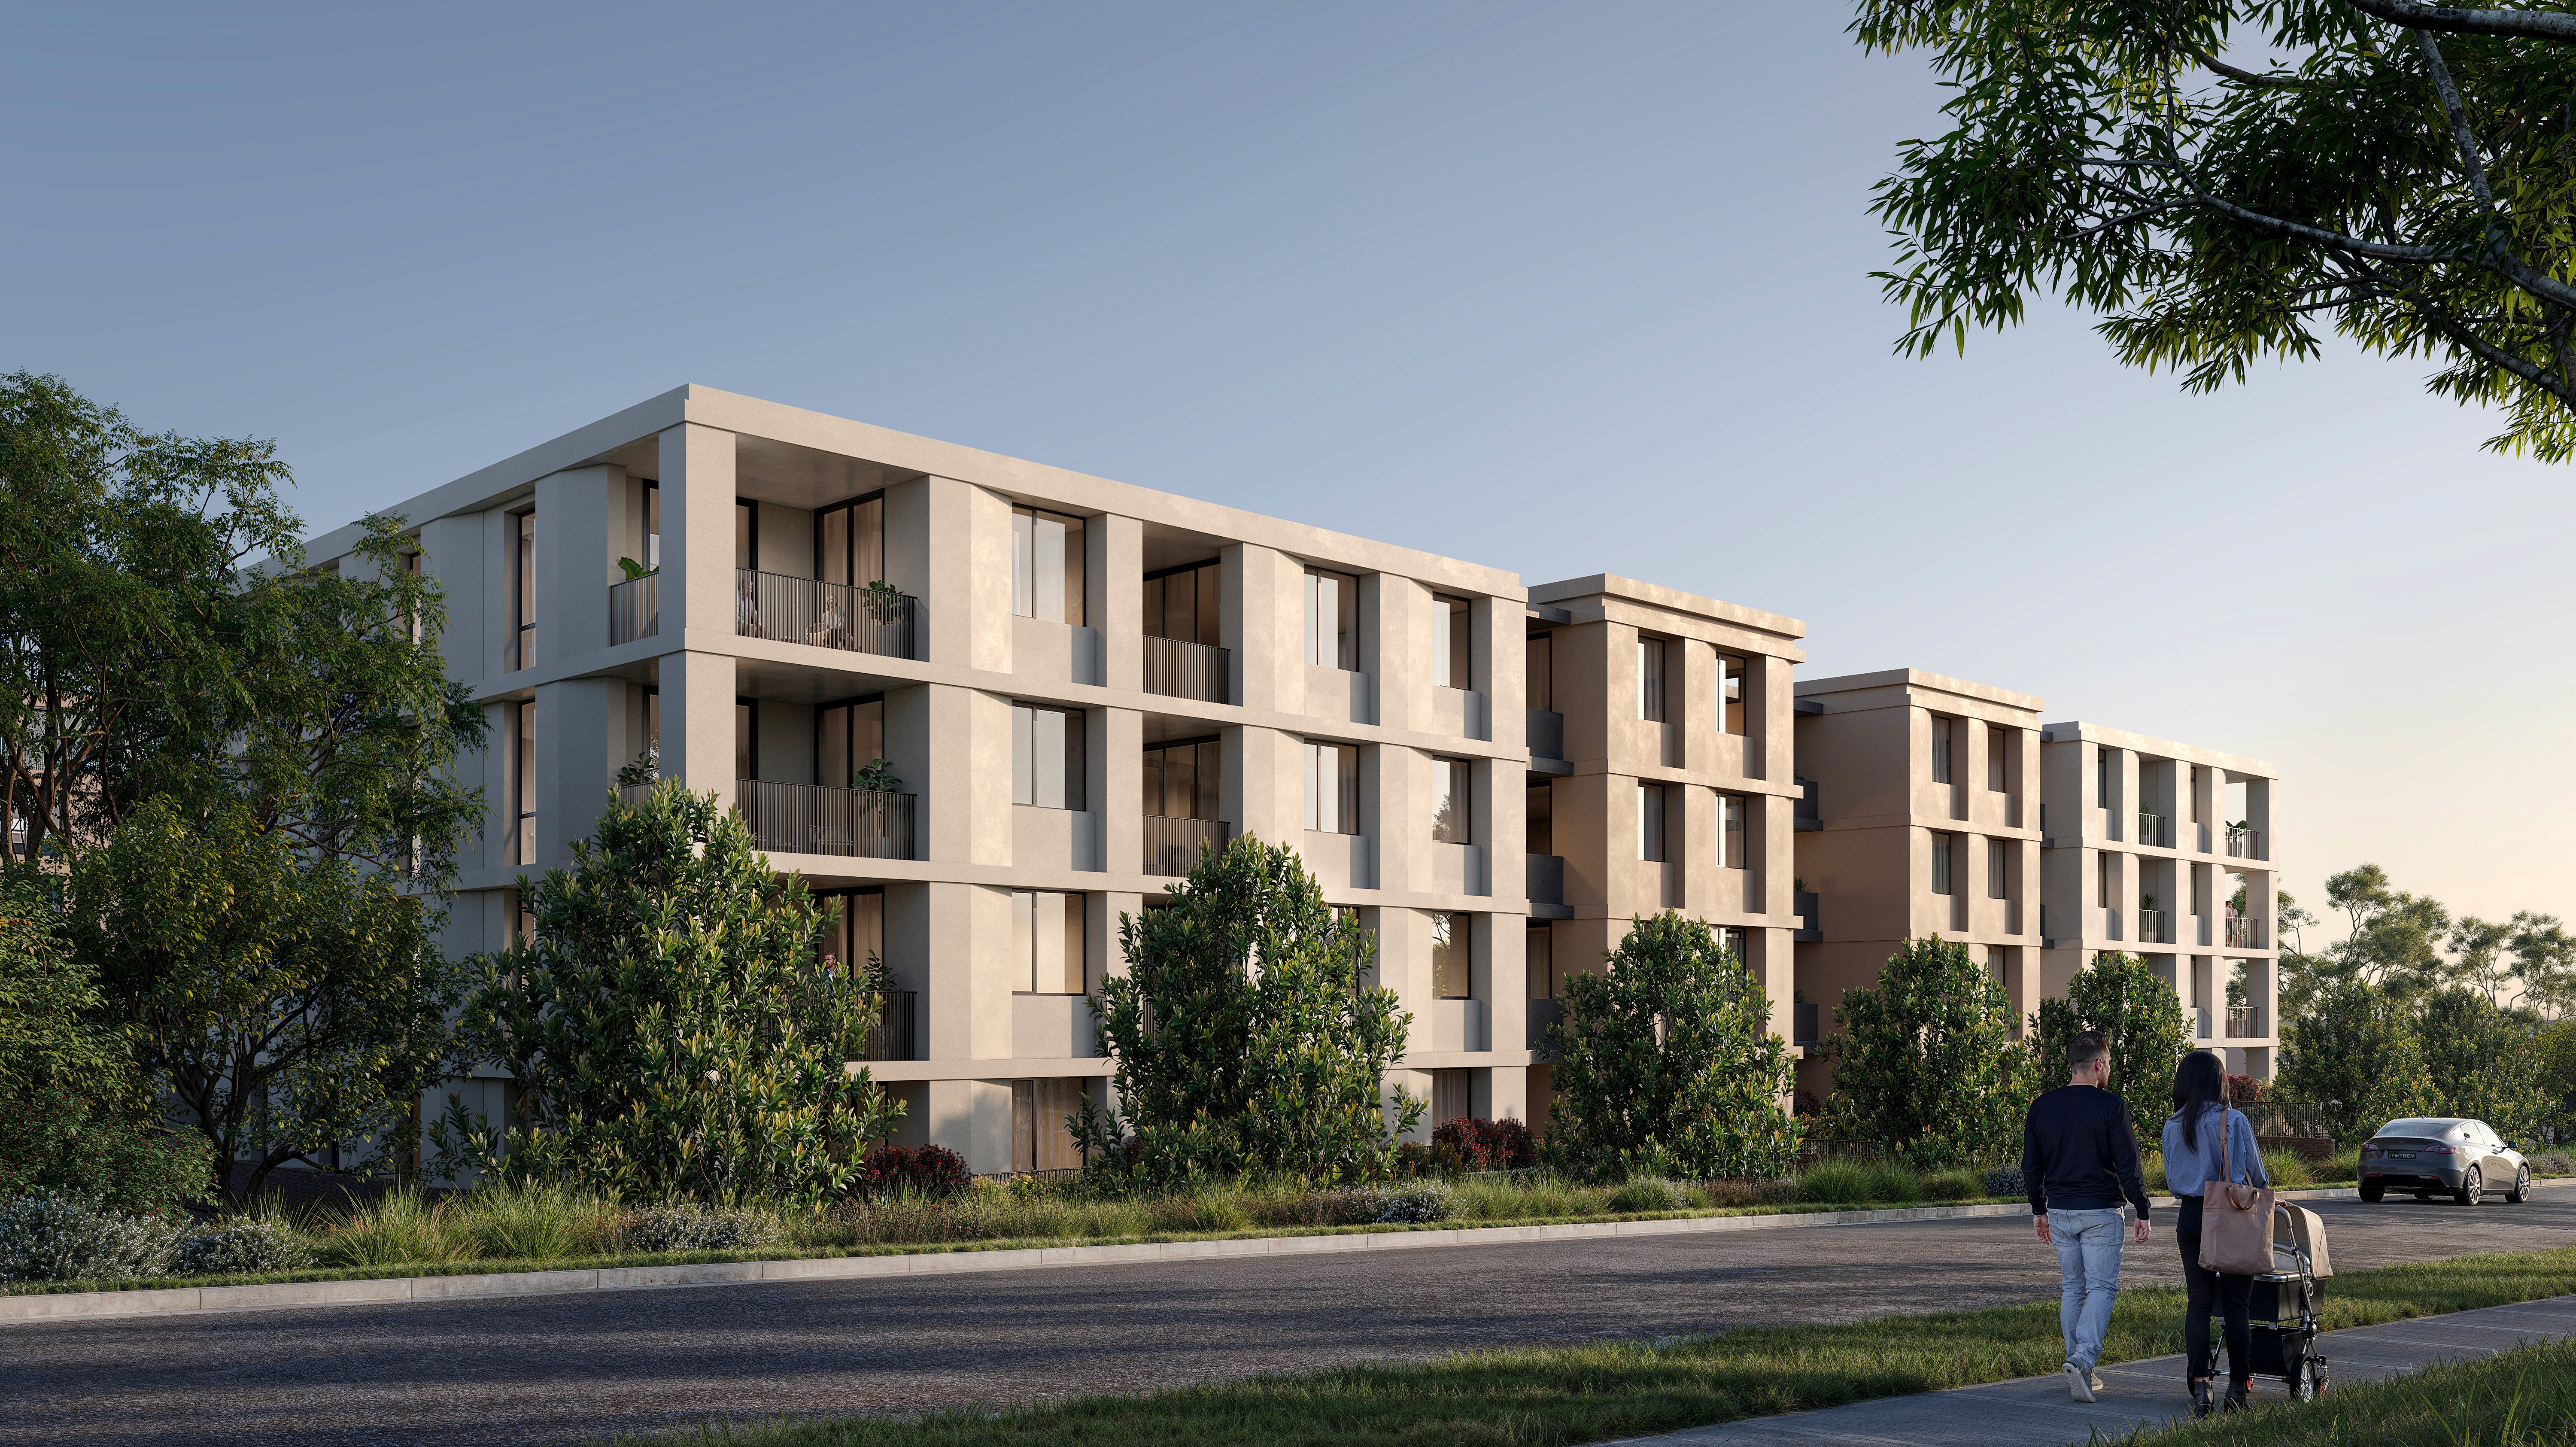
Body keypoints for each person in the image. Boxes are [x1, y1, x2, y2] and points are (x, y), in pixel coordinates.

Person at [2023, 1029, 2152, 1402]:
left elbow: (2031, 1165)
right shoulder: (2111, 1106)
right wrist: (2142, 1208)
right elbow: (2128, 1164)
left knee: (2073, 1288)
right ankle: (2081, 1362)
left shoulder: (2042, 1106)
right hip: (2100, 1211)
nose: (2108, 1069)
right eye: (2108, 1063)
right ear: (2098, 1064)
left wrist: (2038, 1208)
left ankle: (2078, 1366)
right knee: (2101, 1288)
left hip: (2060, 1211)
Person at [2163, 1049, 2270, 1417]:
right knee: (2237, 1306)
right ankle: (2237, 1389)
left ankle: (2201, 1388)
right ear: (2219, 1083)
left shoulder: (2172, 1125)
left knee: (2199, 1304)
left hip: (2192, 1216)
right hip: (2231, 1217)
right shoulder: (2234, 1120)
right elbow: (2257, 1176)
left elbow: (2173, 1182)